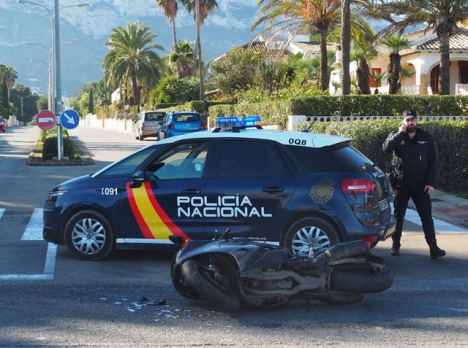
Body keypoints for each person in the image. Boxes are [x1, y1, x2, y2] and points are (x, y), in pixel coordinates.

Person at [382, 109, 446, 259]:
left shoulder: (426, 138)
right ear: (403, 122)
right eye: (408, 120)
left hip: (420, 183)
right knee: (399, 215)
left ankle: (433, 247)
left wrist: (431, 183)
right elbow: (386, 148)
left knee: (426, 216)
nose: (411, 123)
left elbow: (433, 163)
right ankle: (395, 245)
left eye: (413, 120)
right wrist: (399, 134)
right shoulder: (396, 136)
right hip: (402, 182)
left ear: (417, 121)